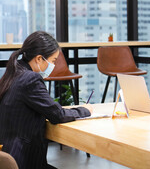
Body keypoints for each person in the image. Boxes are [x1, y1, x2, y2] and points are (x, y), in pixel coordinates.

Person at [0, 31, 93, 169]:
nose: (53, 66)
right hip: (22, 159)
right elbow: (58, 115)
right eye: (53, 61)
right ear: (39, 59)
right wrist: (85, 110)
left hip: (7, 154)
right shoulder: (30, 79)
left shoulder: (14, 71)